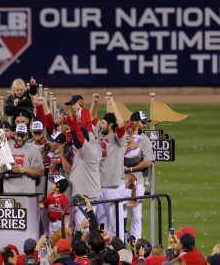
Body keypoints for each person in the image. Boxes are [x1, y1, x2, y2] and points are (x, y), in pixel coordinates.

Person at [90, 94, 126, 239]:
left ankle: (119, 248)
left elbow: (122, 123)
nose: (100, 125)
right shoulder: (100, 133)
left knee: (115, 224)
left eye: (104, 123)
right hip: (99, 186)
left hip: (113, 186)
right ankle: (104, 249)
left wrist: (113, 104)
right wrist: (94, 102)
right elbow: (92, 117)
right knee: (102, 224)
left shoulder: (119, 139)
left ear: (111, 125)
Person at [62, 106, 101, 229]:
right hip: (88, 192)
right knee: (82, 227)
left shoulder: (86, 150)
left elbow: (79, 137)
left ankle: (84, 248)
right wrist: (84, 112)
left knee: (83, 228)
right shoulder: (93, 142)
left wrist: (72, 119)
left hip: (85, 197)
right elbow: (88, 128)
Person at [125, 111, 154, 240]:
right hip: (120, 182)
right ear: (135, 123)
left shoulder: (145, 140)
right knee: (118, 215)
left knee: (136, 217)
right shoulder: (123, 138)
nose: (145, 125)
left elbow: (148, 162)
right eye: (143, 122)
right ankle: (121, 242)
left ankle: (135, 247)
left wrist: (130, 168)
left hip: (138, 182)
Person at [0, 124, 44, 193]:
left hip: (26, 194)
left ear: (27, 135)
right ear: (14, 134)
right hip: (8, 193)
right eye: (17, 135)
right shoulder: (6, 149)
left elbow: (40, 172)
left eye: (22, 136)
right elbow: (0, 174)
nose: (19, 138)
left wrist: (24, 169)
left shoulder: (33, 150)